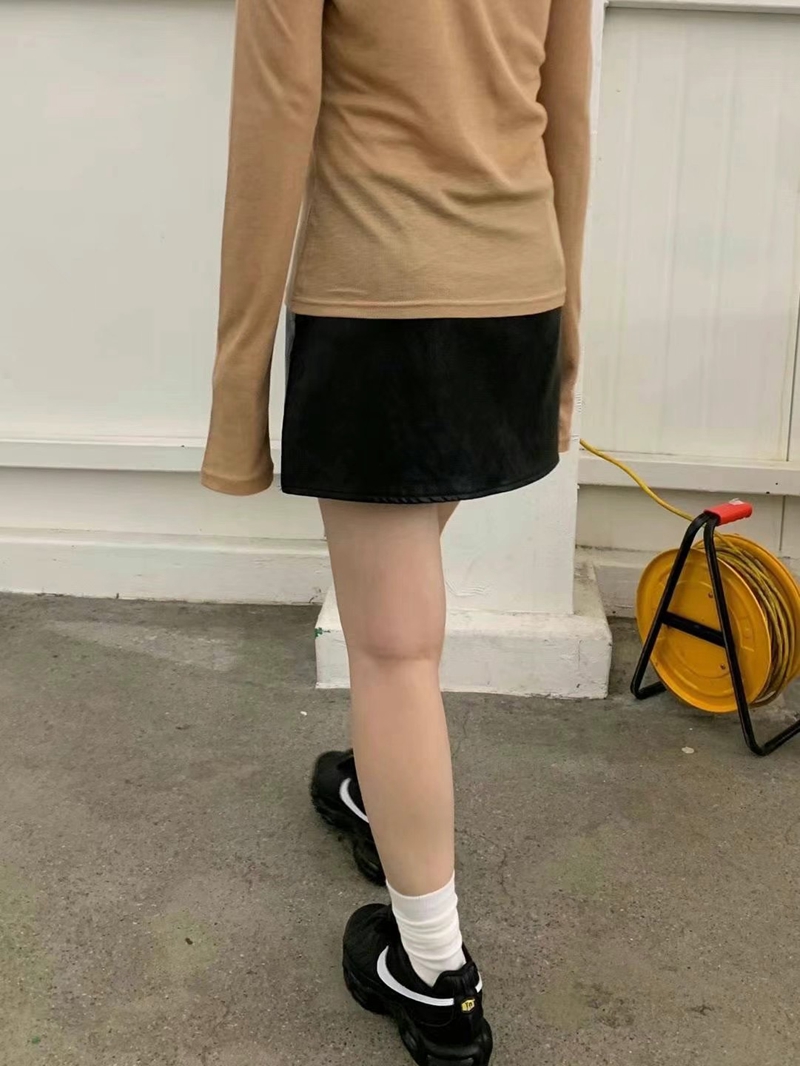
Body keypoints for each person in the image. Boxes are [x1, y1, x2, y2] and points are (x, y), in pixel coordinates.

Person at [201, 1, 592, 1062]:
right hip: (517, 291)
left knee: (392, 648)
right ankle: (382, 791)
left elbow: (273, 121)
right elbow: (566, 112)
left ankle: (432, 971)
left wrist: (237, 389)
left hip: (380, 302)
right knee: (405, 607)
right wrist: (564, 336)